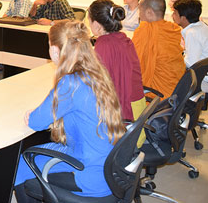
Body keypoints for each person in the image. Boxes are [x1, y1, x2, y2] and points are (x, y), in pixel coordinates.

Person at [14, 21, 125, 202]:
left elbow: (35, 122)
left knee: (21, 164)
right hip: (107, 164)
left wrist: (35, 112)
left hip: (88, 172)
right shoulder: (96, 73)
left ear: (56, 51)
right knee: (35, 151)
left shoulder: (70, 83)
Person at [88, 0, 146, 123]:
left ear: (97, 25)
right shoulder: (124, 39)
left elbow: (98, 83)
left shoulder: (104, 45)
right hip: (137, 113)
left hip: (124, 122)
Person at [133, 0, 185, 99]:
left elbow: (134, 63)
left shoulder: (145, 30)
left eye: (140, 11)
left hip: (156, 96)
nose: (139, 15)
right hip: (177, 90)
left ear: (149, 12)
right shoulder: (172, 28)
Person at [173, 0, 208, 92]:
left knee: (169, 79)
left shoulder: (192, 33)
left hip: (206, 81)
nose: (172, 15)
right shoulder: (202, 26)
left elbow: (191, 63)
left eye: (175, 13)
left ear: (183, 18)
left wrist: (174, 59)